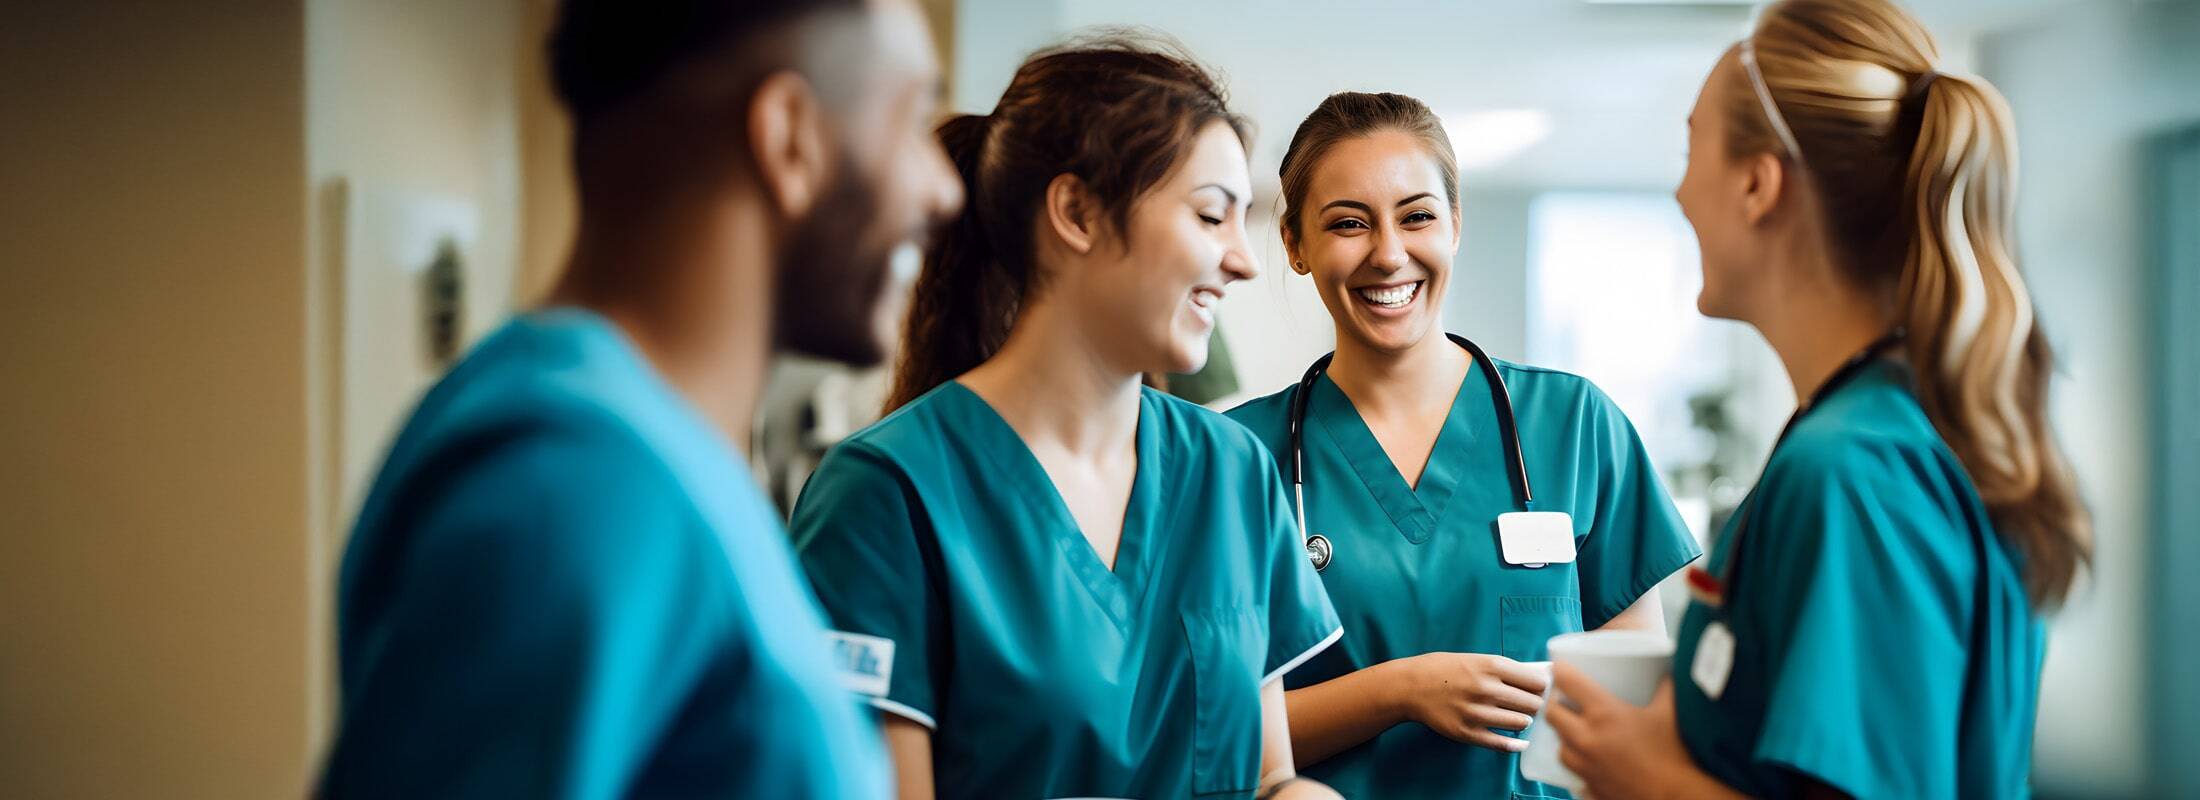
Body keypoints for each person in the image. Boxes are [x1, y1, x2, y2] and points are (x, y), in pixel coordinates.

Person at [318, 0, 962, 796]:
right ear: (790, 137)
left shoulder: (647, 454)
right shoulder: (577, 487)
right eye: (911, 121)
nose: (944, 191)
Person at [1545, 1, 2092, 798]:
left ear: (1759, 184)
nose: (1681, 193)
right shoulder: (1877, 431)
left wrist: (1646, 777)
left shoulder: (1853, 474)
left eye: (1692, 146)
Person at [788, 36, 1344, 800]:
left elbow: (1270, 777)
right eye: (1212, 216)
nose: (1243, 260)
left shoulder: (1232, 470)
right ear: (1077, 212)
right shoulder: (885, 494)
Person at [1223, 91, 1703, 798]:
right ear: (1295, 244)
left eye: (1417, 216)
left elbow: (1631, 709)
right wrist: (1400, 691)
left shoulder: (1574, 424)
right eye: (1349, 224)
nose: (1389, 254)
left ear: (1455, 225)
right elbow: (1211, 729)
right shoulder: (1238, 458)